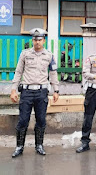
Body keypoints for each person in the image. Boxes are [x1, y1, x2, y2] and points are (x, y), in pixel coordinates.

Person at [10, 28, 59, 158]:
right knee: (23, 120)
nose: (37, 42)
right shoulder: (25, 54)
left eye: (40, 40)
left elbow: (53, 73)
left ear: (44, 40)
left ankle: (39, 145)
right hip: (26, 92)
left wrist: (56, 90)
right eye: (35, 39)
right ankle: (19, 146)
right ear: (33, 40)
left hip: (41, 93)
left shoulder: (49, 55)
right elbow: (18, 72)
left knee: (41, 120)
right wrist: (13, 90)